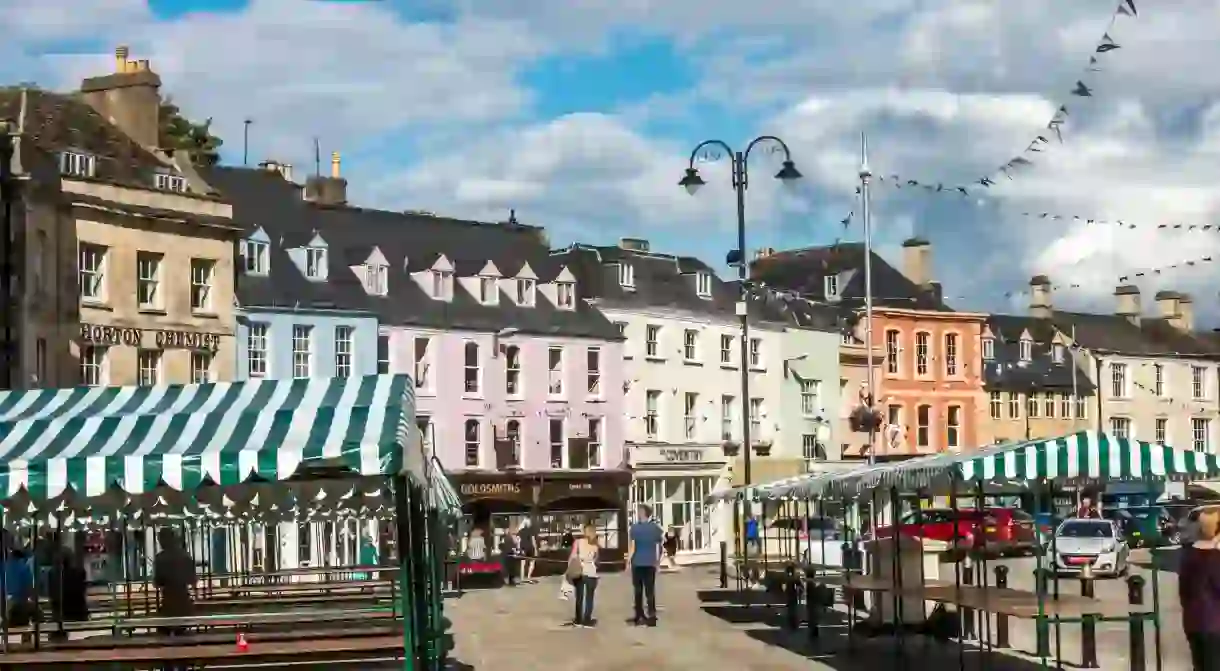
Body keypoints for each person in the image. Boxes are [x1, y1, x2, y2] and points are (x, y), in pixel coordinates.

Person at [1180, 505, 1220, 670]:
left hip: (1193, 624)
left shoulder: (1189, 556)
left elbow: (1183, 593)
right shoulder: (1216, 558)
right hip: (1215, 626)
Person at [153, 528, 197, 634]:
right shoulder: (186, 556)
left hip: (168, 604)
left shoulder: (160, 558)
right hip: (184, 603)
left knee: (164, 631)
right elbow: (192, 579)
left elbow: (157, 582)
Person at [627, 505, 663, 626]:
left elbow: (633, 546)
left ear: (643, 513)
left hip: (638, 563)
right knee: (649, 591)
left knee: (638, 591)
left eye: (639, 512)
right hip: (649, 563)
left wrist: (628, 561)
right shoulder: (655, 528)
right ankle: (651, 615)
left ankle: (639, 615)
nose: (638, 513)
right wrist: (657, 562)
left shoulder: (634, 528)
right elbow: (659, 547)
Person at [568, 524, 600, 628]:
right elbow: (596, 560)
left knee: (579, 596)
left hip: (579, 570)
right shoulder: (595, 545)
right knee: (589, 597)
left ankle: (578, 619)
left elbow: (572, 556)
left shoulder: (578, 542)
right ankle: (587, 619)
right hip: (591, 571)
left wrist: (569, 569)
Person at [518, 518, 538, 584]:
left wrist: (519, 549)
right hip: (530, 548)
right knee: (532, 562)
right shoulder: (530, 530)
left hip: (523, 548)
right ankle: (529, 577)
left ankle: (522, 578)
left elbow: (518, 541)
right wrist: (535, 549)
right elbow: (533, 540)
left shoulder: (520, 531)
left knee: (522, 564)